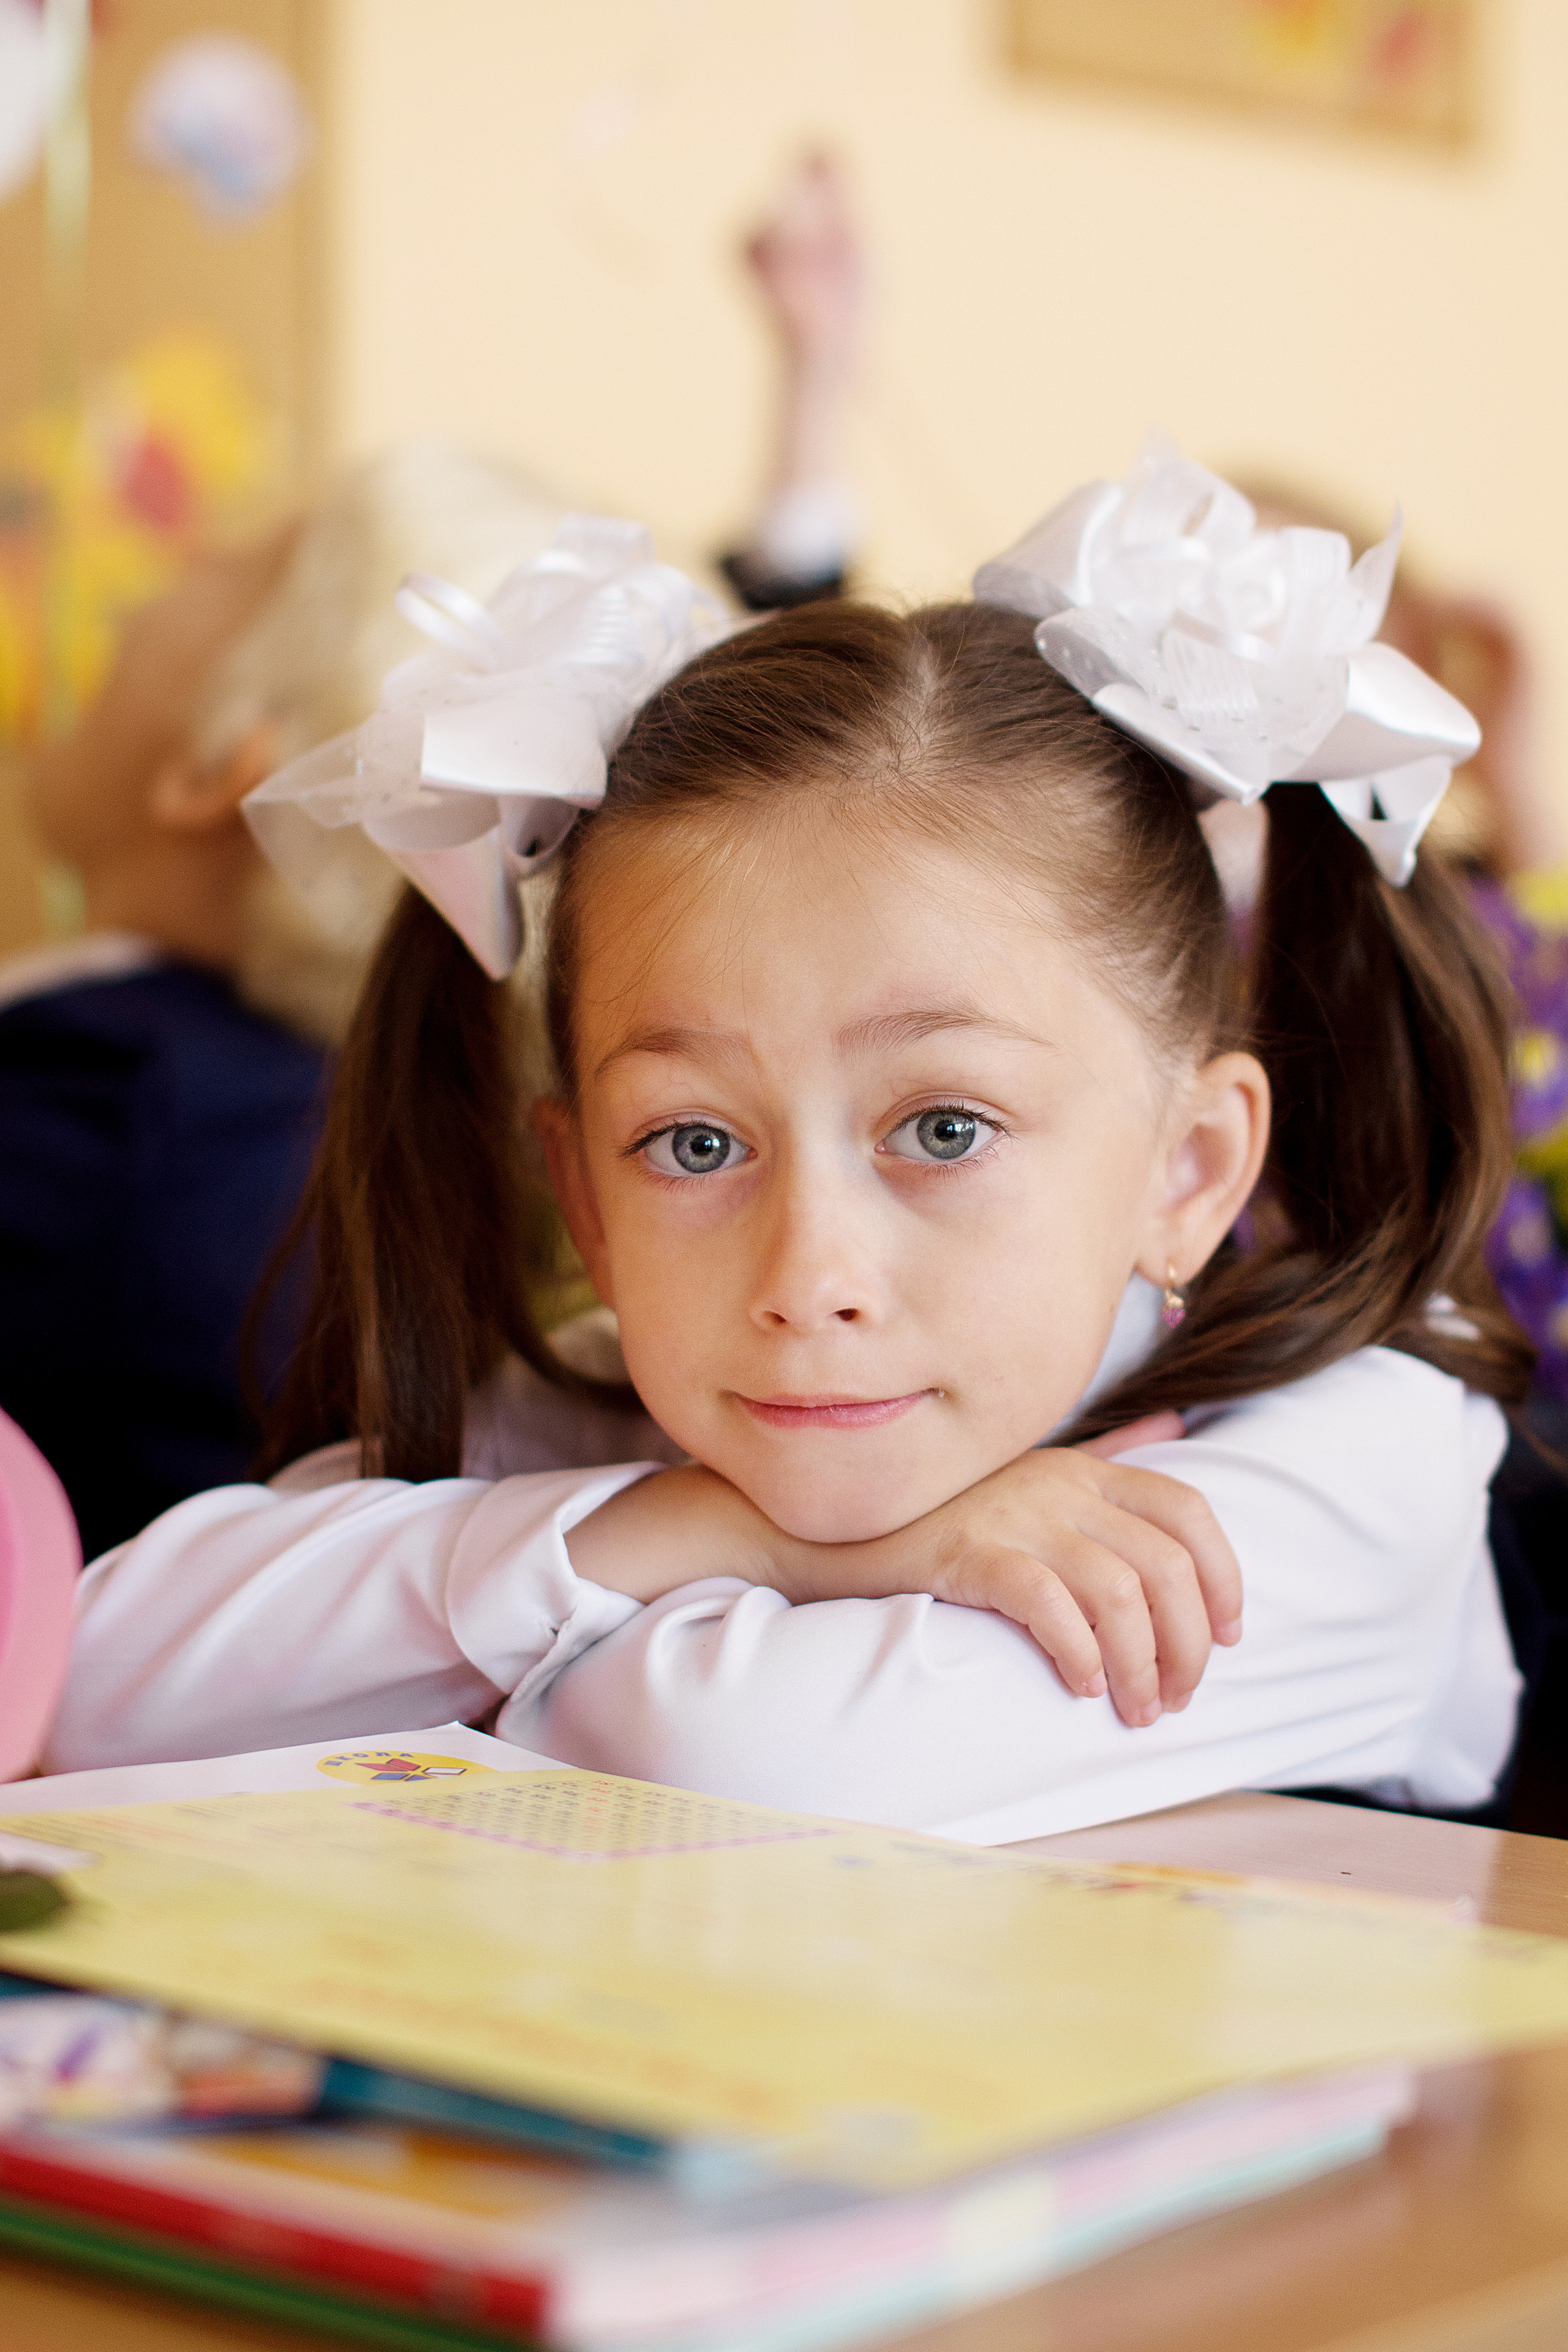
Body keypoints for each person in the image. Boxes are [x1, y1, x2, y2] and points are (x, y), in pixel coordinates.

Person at [43, 445, 1528, 1847]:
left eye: (941, 1128)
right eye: (691, 1144)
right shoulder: (633, 1416)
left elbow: (722, 1759)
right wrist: (726, 1536)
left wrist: (590, 1596)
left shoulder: (1358, 1456)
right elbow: (94, 1683)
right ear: (583, 1190)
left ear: (1187, 1171)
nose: (806, 1274)